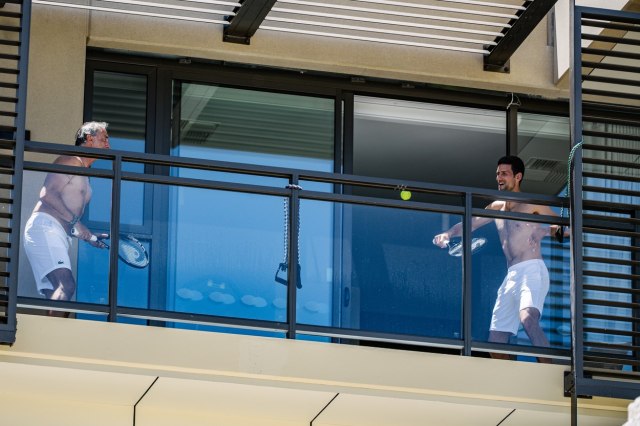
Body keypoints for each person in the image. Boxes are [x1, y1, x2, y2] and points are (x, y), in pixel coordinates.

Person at [433, 155, 567, 363]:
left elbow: (567, 228)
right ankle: (510, 376)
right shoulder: (496, 207)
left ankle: (551, 372)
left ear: (518, 177)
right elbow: (470, 224)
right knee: (495, 340)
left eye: (504, 173)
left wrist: (544, 231)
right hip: (511, 275)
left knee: (528, 319)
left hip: (532, 269)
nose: (499, 178)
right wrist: (448, 234)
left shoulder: (532, 205)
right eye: (497, 174)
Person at [23, 122, 110, 310]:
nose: (108, 145)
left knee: (56, 292)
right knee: (66, 286)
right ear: (89, 139)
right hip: (45, 227)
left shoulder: (84, 173)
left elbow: (69, 214)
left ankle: (50, 328)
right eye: (104, 139)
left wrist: (89, 236)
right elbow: (47, 194)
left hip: (58, 233)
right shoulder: (71, 161)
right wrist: (76, 223)